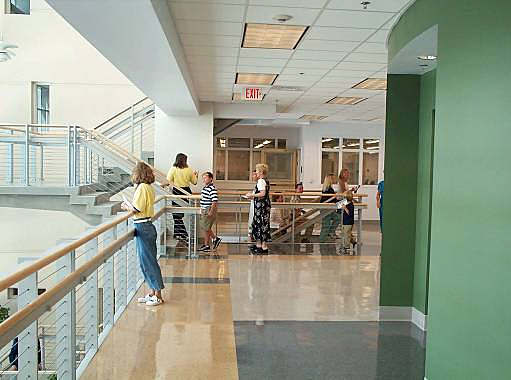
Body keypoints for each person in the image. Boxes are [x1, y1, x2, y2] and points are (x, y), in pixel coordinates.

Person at [122, 162, 164, 306]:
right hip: (146, 226)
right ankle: (153, 292)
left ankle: (157, 294)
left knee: (148, 261)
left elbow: (136, 209)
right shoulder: (149, 188)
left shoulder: (141, 188)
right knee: (146, 260)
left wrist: (126, 206)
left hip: (143, 226)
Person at [166, 153, 198, 242]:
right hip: (186, 192)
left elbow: (168, 180)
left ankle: (182, 234)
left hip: (176, 192)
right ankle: (178, 234)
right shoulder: (189, 170)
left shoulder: (173, 169)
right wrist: (195, 175)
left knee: (176, 214)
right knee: (179, 214)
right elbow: (195, 182)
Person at [246, 164, 271, 254]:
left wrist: (252, 195)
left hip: (261, 206)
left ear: (260, 172)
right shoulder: (266, 180)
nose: (256, 172)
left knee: (259, 224)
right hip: (265, 205)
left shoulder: (260, 181)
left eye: (257, 171)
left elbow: (262, 193)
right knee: (264, 224)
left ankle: (260, 245)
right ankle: (262, 245)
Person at [197, 172, 221, 253]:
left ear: (211, 178)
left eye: (206, 177)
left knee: (206, 227)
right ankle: (207, 244)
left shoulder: (212, 188)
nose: (204, 179)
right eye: (203, 178)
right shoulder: (205, 188)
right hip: (204, 209)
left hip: (208, 209)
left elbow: (214, 200)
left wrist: (211, 211)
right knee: (206, 228)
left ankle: (214, 239)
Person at [319, 174, 340, 242]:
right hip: (326, 209)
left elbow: (333, 199)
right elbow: (333, 200)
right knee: (326, 225)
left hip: (330, 208)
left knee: (338, 218)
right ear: (330, 180)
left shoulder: (328, 188)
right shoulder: (328, 189)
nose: (334, 180)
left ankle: (331, 231)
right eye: (333, 178)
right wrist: (343, 201)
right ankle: (321, 241)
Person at [247, 169, 258, 240]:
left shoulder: (261, 184)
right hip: (253, 205)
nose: (252, 176)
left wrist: (252, 196)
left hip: (257, 207)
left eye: (254, 175)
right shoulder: (257, 185)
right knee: (251, 220)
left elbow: (261, 195)